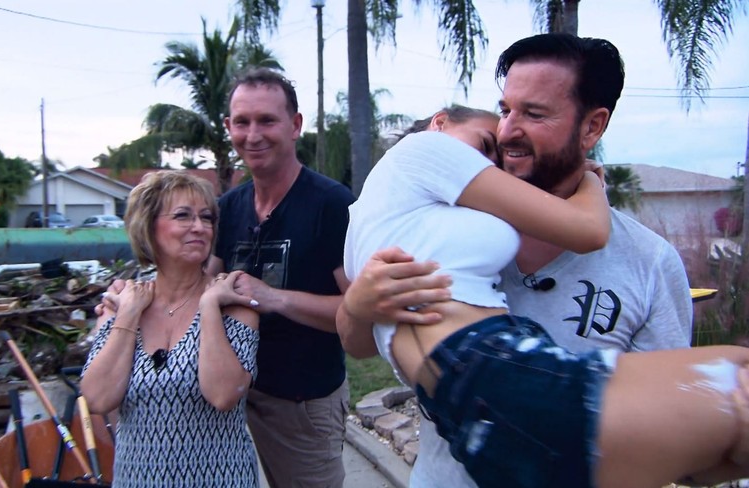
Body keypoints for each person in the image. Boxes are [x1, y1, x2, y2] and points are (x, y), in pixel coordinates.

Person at [339, 34, 694, 488]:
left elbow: (664, 422)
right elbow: (362, 345)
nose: (507, 131)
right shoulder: (451, 228)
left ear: (592, 127)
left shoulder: (649, 263)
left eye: (534, 113)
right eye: (506, 109)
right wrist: (355, 306)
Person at [207, 67, 356, 488]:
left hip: (301, 402)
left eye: (267, 120)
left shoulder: (331, 205)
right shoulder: (226, 208)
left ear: (295, 126)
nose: (253, 135)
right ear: (228, 127)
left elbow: (360, 314)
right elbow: (199, 285)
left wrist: (273, 298)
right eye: (242, 122)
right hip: (228, 398)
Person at [80, 171, 260, 487]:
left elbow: (223, 395)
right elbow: (96, 398)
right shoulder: (123, 304)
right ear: (148, 227)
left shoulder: (231, 302)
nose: (199, 227)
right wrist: (128, 315)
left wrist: (208, 309)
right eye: (183, 216)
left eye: (206, 218)